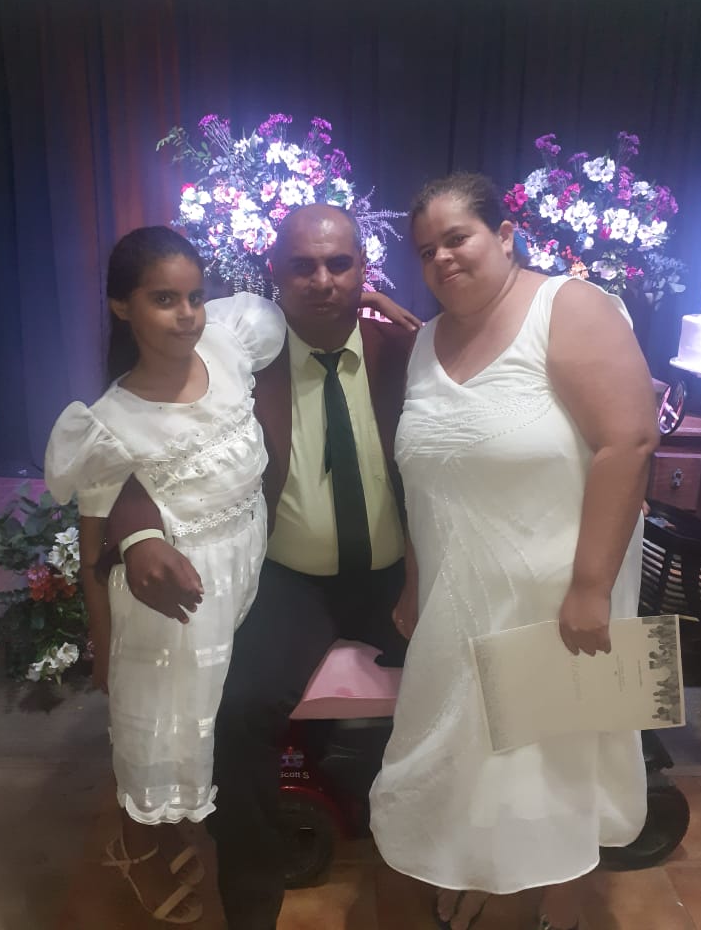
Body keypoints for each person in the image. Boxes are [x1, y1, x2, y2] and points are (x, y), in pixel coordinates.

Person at [105, 203, 420, 929]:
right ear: (273, 273)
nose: (322, 280)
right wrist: (138, 534)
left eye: (339, 263)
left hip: (399, 574)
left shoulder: (406, 352)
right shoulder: (233, 358)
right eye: (302, 265)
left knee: (473, 677)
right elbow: (134, 442)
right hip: (287, 579)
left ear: (363, 270)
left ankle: (454, 858)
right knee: (238, 710)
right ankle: (250, 903)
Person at [369, 173, 660, 930]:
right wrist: (415, 581)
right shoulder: (426, 341)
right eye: (425, 250)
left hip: (557, 601)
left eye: (457, 238)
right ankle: (482, 871)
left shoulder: (569, 306)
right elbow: (426, 481)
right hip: (457, 600)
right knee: (462, 754)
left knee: (540, 765)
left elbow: (629, 441)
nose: (441, 258)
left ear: (504, 235)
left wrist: (591, 587)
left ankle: (527, 895)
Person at [45, 226, 287, 924]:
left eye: (194, 297)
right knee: (164, 734)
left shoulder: (228, 346)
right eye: (163, 300)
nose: (187, 316)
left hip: (244, 574)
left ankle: (186, 836)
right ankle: (140, 851)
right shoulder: (112, 422)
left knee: (213, 726)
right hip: (174, 606)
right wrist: (102, 644)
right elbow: (95, 539)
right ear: (122, 307)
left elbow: (293, 324)